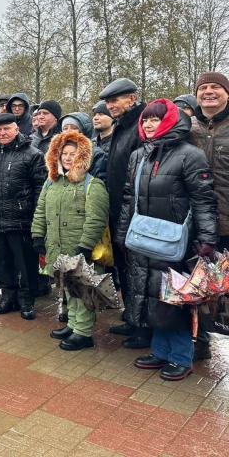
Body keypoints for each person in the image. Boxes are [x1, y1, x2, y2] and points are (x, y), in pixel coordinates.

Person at [116, 99, 218, 381]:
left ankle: (181, 357)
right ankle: (160, 350)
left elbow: (204, 199)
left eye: (156, 119)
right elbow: (129, 198)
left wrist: (207, 237)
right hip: (143, 238)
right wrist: (122, 234)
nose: (148, 124)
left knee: (175, 299)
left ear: (171, 121)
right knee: (153, 297)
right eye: (146, 120)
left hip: (176, 242)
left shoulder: (190, 155)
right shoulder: (139, 155)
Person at [31, 131, 109, 350]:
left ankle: (83, 332)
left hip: (79, 249)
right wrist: (37, 234)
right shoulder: (52, 183)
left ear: (82, 157)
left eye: (73, 154)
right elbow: (40, 210)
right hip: (58, 246)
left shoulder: (92, 185)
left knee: (82, 290)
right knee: (67, 287)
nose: (67, 158)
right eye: (64, 153)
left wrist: (85, 245)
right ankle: (73, 325)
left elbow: (97, 219)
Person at [0, 113, 46, 320]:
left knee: (26, 264)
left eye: (7, 129)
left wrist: (37, 218)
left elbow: (41, 188)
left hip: (22, 220)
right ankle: (8, 297)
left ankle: (27, 301)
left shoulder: (33, 154)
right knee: (2, 261)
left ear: (16, 129)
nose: (3, 133)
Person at [98, 78, 148, 348]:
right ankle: (132, 317)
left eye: (115, 100)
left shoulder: (141, 125)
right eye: (108, 102)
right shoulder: (122, 127)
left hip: (136, 214)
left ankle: (144, 327)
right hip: (119, 212)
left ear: (132, 98)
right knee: (126, 270)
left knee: (139, 273)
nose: (110, 105)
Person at [188, 72, 229, 361]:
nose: (209, 92)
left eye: (216, 87)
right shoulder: (186, 128)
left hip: (227, 222)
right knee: (196, 284)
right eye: (204, 88)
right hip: (195, 223)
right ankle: (199, 342)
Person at [58, 113, 108, 181]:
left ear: (83, 131)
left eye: (74, 128)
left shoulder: (96, 154)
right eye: (65, 128)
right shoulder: (56, 152)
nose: (68, 131)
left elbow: (99, 184)